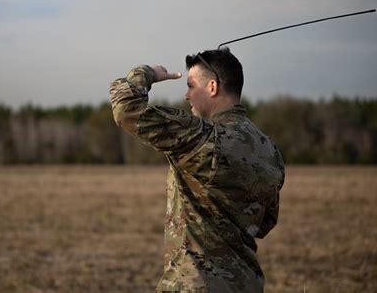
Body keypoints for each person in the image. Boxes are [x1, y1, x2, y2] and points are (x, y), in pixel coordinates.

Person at [109, 47, 285, 292]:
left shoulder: (202, 136)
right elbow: (265, 223)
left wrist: (148, 74)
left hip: (195, 284)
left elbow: (126, 109)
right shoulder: (269, 150)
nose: (186, 96)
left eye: (191, 86)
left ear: (212, 87)